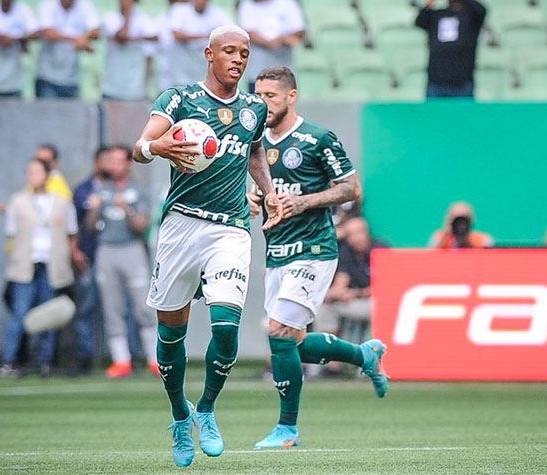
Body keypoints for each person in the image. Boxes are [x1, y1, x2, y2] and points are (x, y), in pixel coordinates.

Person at [131, 25, 283, 467]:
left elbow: (255, 153)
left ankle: (208, 410)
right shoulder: (178, 100)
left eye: (245, 53)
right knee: (171, 333)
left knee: (226, 328)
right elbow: (142, 146)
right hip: (180, 227)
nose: (238, 59)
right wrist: (156, 146)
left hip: (231, 229)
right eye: (229, 52)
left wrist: (267, 190)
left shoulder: (255, 108)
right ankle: (180, 413)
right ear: (209, 54)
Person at [247, 66, 387, 450]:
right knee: (291, 340)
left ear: (291, 96)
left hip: (314, 250)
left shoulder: (316, 138)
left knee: (277, 331)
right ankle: (364, 355)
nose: (262, 103)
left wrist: (304, 201)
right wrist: (254, 198)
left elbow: (350, 188)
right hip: (277, 251)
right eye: (257, 96)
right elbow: (261, 186)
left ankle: (287, 428)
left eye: (270, 96)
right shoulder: (252, 140)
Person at [0, 159, 78, 377]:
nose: (33, 176)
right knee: (19, 313)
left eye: (37, 172)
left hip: (52, 265)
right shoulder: (18, 200)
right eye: (29, 172)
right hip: (25, 265)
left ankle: (46, 360)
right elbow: (11, 233)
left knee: (49, 314)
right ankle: (10, 359)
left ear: (47, 175)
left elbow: (71, 232)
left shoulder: (62, 202)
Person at [87, 145, 158, 378]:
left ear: (129, 163)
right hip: (107, 250)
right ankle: (121, 360)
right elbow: (90, 228)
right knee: (112, 307)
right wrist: (94, 210)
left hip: (132, 250)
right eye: (111, 161)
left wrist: (126, 209)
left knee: (144, 307)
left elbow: (142, 227)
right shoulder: (101, 189)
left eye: (119, 161)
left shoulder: (138, 190)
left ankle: (154, 359)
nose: (115, 166)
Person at [70, 146, 110, 375]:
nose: (111, 166)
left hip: (115, 253)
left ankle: (128, 357)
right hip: (90, 256)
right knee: (86, 308)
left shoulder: (120, 189)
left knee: (121, 309)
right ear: (97, 163)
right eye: (107, 161)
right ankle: (84, 356)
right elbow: (73, 224)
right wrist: (74, 249)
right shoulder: (84, 190)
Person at [317, 217, 386, 342]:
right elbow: (341, 281)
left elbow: (387, 287)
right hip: (354, 301)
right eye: (352, 235)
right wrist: (334, 295)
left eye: (360, 232)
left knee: (378, 308)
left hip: (378, 302)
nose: (357, 238)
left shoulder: (381, 249)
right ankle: (329, 354)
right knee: (325, 306)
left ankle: (372, 355)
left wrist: (356, 293)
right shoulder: (346, 251)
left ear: (367, 232)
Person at [415, 0, 486, 98]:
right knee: (433, 113)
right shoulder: (436, 15)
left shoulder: (470, 16)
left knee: (463, 113)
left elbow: (481, 11)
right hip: (436, 81)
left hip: (463, 81)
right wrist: (430, 3)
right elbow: (420, 21)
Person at [35, 0, 100, 99]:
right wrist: (78, 40)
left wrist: (84, 40)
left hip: (72, 79)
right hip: (47, 77)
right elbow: (49, 34)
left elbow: (96, 32)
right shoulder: (48, 5)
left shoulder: (85, 5)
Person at [237, 0, 305, 92]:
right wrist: (270, 42)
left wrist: (284, 38)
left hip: (284, 69)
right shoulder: (246, 5)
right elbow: (247, 31)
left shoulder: (287, 3)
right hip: (257, 71)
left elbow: (299, 30)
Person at [0, 0, 39, 98]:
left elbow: (36, 34)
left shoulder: (23, 9)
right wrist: (22, 40)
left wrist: (19, 39)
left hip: (14, 83)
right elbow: (1, 40)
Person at [102, 0, 157, 101]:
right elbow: (122, 36)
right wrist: (128, 14)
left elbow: (154, 40)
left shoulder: (144, 19)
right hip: (111, 87)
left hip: (135, 89)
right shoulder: (110, 18)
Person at [169, 0, 232, 87]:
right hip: (184, 62)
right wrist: (206, 36)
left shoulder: (218, 13)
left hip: (205, 63)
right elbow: (176, 34)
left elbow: (230, 33)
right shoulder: (180, 10)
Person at [428, 201, 494, 248]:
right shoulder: (439, 238)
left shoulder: (481, 240)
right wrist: (446, 236)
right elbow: (431, 256)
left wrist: (466, 242)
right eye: (457, 222)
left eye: (464, 222)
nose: (460, 226)